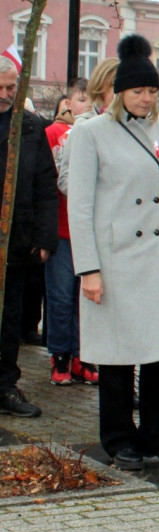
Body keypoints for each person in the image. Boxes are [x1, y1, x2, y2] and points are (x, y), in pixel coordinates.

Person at [66, 34, 159, 470]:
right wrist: (90, 269)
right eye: (138, 90)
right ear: (119, 91)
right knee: (118, 358)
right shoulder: (91, 133)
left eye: (153, 91)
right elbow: (79, 207)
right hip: (115, 259)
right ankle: (119, 439)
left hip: (157, 258)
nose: (146, 98)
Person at [0, 56, 58, 417]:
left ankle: (5, 384)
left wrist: (44, 237)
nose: (6, 95)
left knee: (10, 318)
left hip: (16, 240)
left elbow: (45, 186)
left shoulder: (32, 127)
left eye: (11, 88)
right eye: (1, 89)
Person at [45, 77, 99, 386]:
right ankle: (60, 355)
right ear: (67, 104)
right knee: (62, 296)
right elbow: (55, 179)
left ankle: (83, 355)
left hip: (91, 232)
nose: (87, 106)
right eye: (81, 100)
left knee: (87, 298)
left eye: (91, 100)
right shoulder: (56, 133)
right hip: (64, 230)